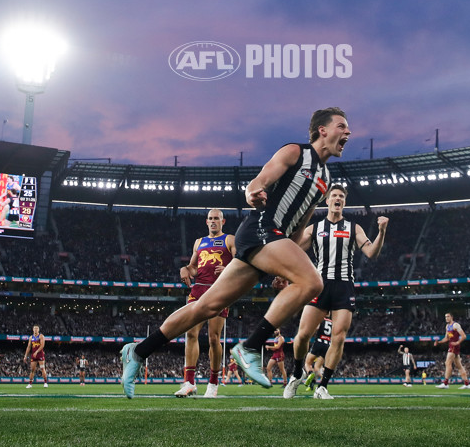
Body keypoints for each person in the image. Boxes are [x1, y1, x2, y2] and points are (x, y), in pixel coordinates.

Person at [120, 107, 350, 399]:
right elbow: (260, 180)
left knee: (206, 307)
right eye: (342, 126)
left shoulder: (325, 179)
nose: (348, 133)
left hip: (276, 240)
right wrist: (252, 192)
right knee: (314, 282)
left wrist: (285, 265)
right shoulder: (296, 152)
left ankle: (138, 351)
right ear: (323, 131)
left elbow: (300, 223)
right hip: (260, 229)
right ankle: (251, 346)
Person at [284, 183, 389, 400]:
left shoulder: (354, 228)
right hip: (319, 284)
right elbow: (292, 251)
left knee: (339, 337)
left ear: (344, 202)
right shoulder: (315, 228)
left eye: (341, 196)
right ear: (328, 201)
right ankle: (297, 373)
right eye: (334, 196)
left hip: (343, 286)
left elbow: (371, 253)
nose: (338, 199)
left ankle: (322, 387)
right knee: (303, 335)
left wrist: (381, 232)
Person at [174, 208, 236, 399]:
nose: (213, 221)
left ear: (222, 222)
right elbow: (194, 267)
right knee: (191, 333)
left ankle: (213, 383)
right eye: (210, 218)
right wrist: (185, 269)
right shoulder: (199, 242)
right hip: (198, 289)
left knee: (213, 338)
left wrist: (227, 268)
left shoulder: (229, 240)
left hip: (219, 289)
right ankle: (189, 383)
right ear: (206, 221)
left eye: (216, 218)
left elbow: (240, 261)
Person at [434, 312, 470, 389]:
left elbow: (464, 336)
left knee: (447, 363)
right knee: (458, 365)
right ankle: (467, 384)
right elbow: (447, 338)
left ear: (451, 317)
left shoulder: (455, 325)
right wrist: (439, 342)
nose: (446, 318)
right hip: (451, 345)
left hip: (454, 345)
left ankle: (446, 383)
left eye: (448, 316)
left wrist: (457, 342)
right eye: (445, 317)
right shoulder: (447, 326)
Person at [304, 315, 333, 392]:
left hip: (319, 342)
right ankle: (317, 384)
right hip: (327, 345)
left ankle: (310, 373)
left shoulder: (320, 318)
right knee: (317, 368)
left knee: (307, 363)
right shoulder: (332, 322)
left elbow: (316, 327)